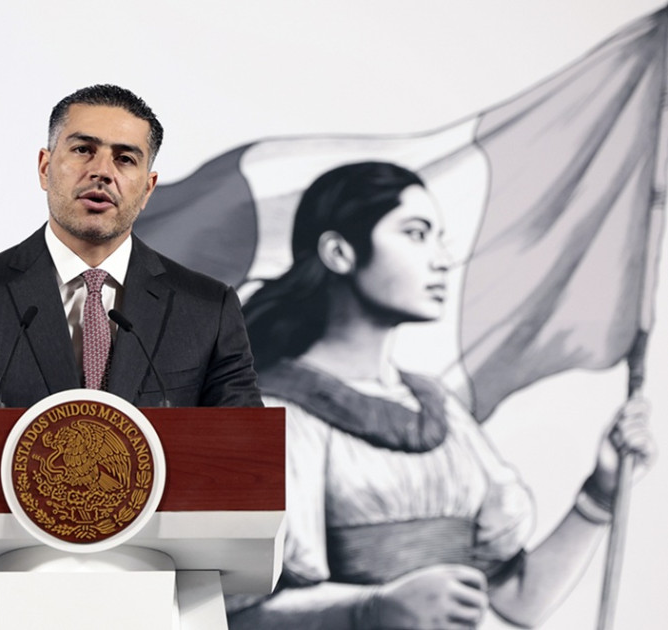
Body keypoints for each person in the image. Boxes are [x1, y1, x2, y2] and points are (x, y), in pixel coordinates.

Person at [227, 162, 655, 628]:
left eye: (438, 236)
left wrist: (601, 492)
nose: (441, 258)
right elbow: (229, 615)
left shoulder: (440, 410)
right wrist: (372, 608)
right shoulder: (266, 413)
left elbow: (518, 599)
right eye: (415, 233)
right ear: (339, 252)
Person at [0, 84, 261, 409]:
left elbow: (246, 461)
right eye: (84, 149)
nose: (102, 171)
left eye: (124, 158)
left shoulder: (208, 309)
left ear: (148, 188)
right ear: (45, 166)